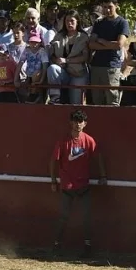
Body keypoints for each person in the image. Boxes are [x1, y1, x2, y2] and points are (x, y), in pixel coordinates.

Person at [50, 109, 107, 258]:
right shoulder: (63, 141)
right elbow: (54, 161)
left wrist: (103, 175)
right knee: (64, 216)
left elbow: (98, 157)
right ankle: (56, 244)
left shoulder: (88, 140)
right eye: (75, 121)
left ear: (85, 124)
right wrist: (53, 180)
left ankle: (87, 246)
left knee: (86, 217)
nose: (78, 124)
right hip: (68, 185)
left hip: (83, 185)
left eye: (80, 122)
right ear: (71, 123)